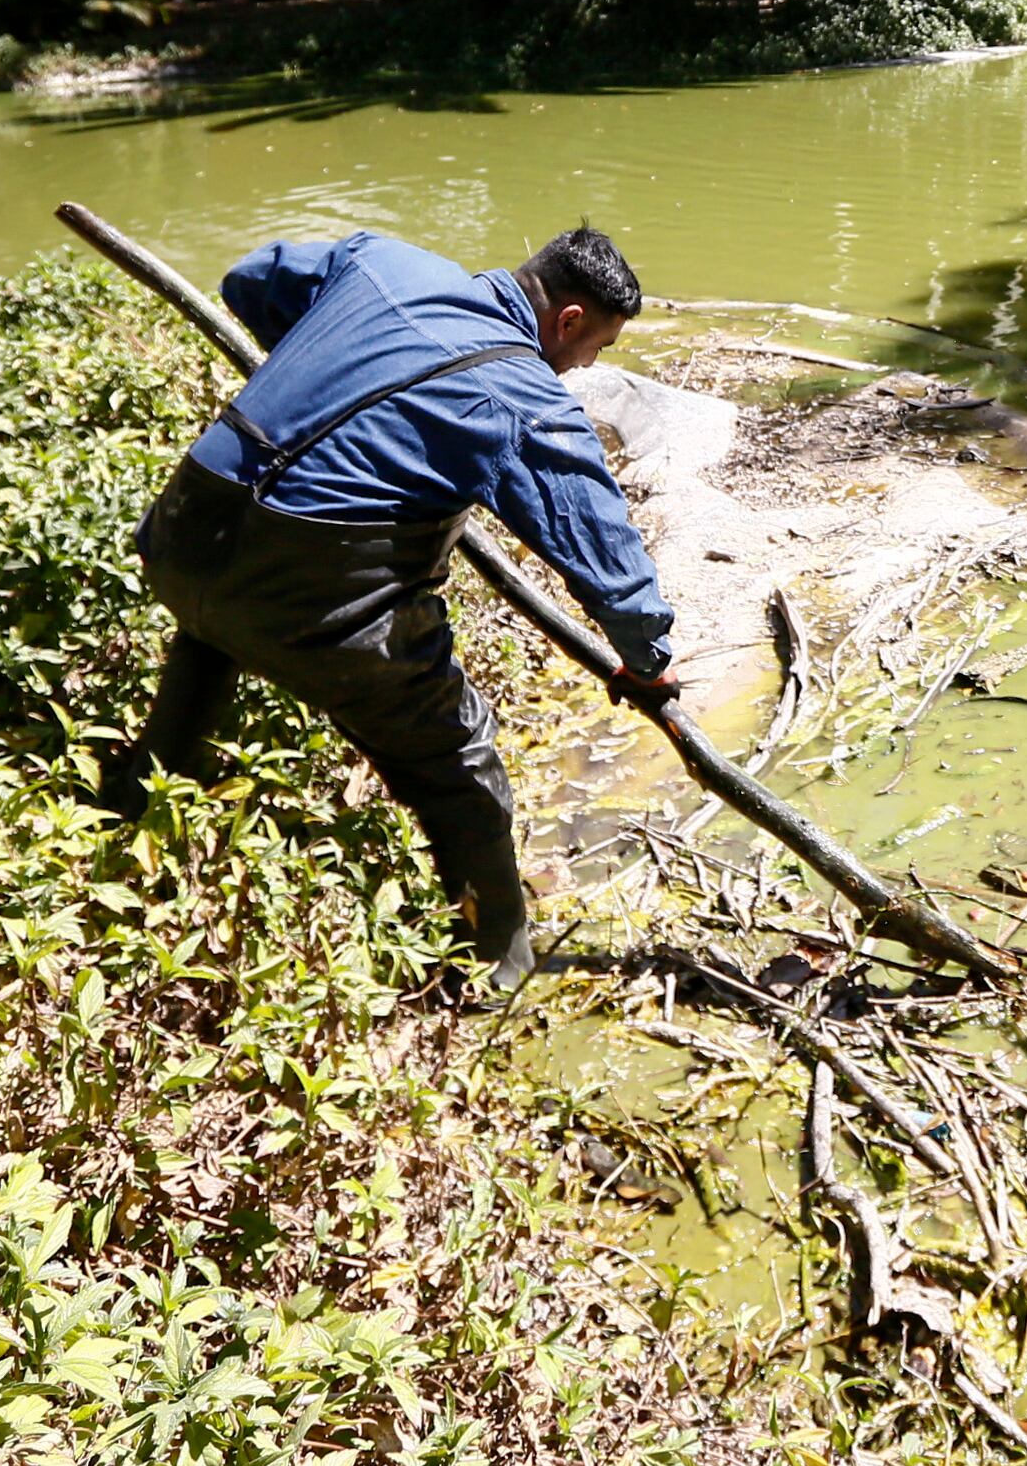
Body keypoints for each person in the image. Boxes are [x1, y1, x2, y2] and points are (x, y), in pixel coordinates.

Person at [92, 223, 682, 991]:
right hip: (307, 598)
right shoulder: (525, 395)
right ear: (567, 320)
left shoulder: (381, 261)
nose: (584, 365)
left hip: (185, 535)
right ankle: (491, 967)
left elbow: (247, 278)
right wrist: (648, 664)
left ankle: (129, 804)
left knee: (212, 633)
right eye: (595, 347)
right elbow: (606, 559)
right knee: (456, 756)